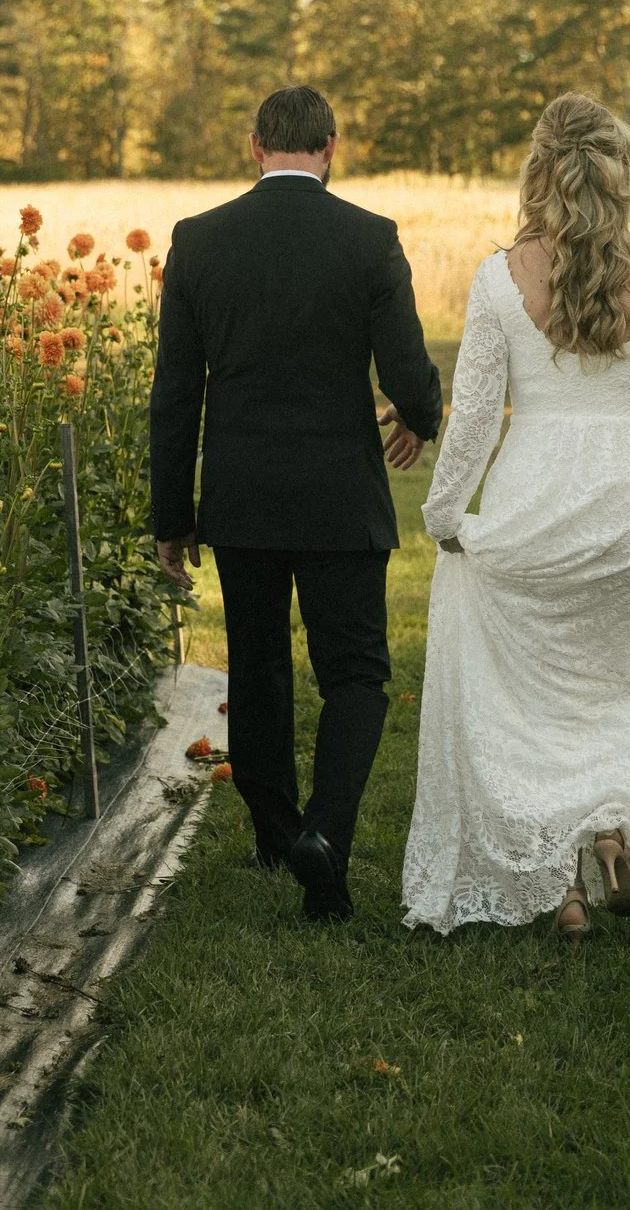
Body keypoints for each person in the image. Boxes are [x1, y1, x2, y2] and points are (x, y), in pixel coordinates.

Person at [403, 93, 630, 941]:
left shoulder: (500, 278)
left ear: (539, 167)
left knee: (533, 701)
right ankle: (606, 836)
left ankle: (565, 890)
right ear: (620, 169)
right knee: (612, 686)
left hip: (537, 506)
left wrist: (443, 512)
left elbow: (473, 415)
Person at [149, 85, 445, 923]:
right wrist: (419, 418)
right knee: (355, 671)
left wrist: (173, 514)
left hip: (241, 495)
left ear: (255, 146)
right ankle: (328, 836)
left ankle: (279, 833)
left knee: (259, 663)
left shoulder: (199, 241)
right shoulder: (369, 239)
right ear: (331, 146)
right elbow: (409, 369)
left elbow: (174, 394)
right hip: (340, 494)